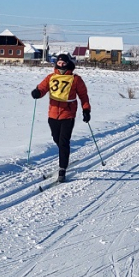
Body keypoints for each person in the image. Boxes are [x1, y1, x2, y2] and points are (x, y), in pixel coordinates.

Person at [31, 54, 91, 182]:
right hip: (52, 114)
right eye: (59, 63)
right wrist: (37, 92)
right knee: (56, 138)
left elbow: (83, 96)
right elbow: (42, 88)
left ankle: (62, 168)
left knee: (63, 142)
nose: (61, 65)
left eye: (64, 63)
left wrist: (86, 110)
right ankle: (65, 154)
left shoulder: (76, 79)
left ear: (68, 63)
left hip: (68, 114)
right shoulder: (51, 77)